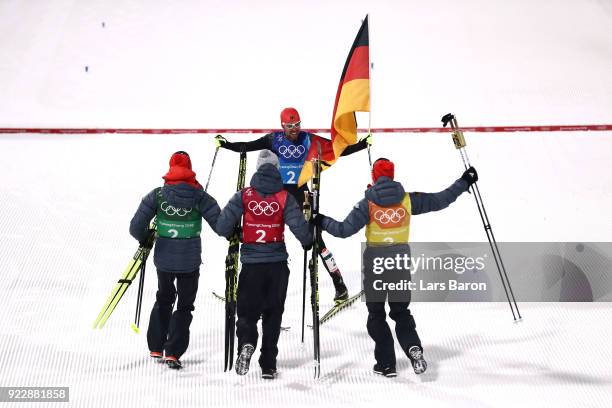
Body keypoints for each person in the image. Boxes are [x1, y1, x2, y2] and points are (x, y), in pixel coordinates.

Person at [314, 158, 478, 377]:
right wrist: (464, 182)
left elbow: (344, 230)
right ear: (392, 175)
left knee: (376, 315)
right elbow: (441, 200)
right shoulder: (408, 200)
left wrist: (322, 220)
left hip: (376, 265)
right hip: (400, 263)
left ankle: (386, 364)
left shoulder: (367, 204)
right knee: (401, 312)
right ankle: (414, 349)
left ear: (373, 176)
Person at [214, 107, 370, 303]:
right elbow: (247, 146)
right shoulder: (273, 140)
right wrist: (227, 145)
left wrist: (362, 145)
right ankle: (247, 289)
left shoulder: (309, 139)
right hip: (276, 194)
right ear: (282, 125)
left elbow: (337, 150)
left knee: (316, 239)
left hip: (302, 195)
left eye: (297, 125)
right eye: (289, 126)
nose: (294, 129)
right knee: (263, 237)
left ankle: (339, 284)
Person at [215, 150, 312, 379]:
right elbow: (300, 229)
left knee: (247, 313)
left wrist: (235, 231)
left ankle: (247, 343)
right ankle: (268, 363)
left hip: (251, 264)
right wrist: (309, 240)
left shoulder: (244, 195)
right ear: (277, 170)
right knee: (273, 313)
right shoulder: (285, 197)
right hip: (277, 265)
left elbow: (221, 227)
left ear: (257, 170)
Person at [129, 151, 221, 369]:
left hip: (164, 260)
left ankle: (155, 346)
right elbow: (220, 225)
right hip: (190, 261)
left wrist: (146, 239)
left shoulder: (158, 195)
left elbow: (135, 227)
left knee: (164, 298)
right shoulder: (200, 196)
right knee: (185, 305)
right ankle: (173, 351)